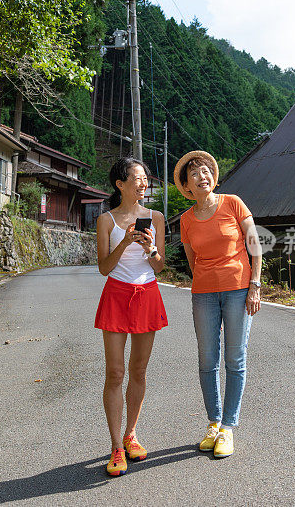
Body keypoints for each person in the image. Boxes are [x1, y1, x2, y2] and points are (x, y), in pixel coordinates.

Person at [174, 150, 261, 458]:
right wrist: (207, 282)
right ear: (187, 185)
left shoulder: (233, 203)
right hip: (204, 295)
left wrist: (255, 285)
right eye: (195, 174)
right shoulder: (185, 220)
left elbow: (254, 245)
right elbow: (192, 261)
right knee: (207, 360)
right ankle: (213, 423)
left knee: (235, 360)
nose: (203, 176)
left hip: (239, 290)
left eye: (206, 171)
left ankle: (228, 427)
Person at [94, 157, 167, 477]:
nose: (143, 183)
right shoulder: (106, 220)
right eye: (137, 178)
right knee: (115, 372)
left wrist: (150, 248)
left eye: (145, 178)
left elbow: (160, 266)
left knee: (138, 370)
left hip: (147, 294)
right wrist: (124, 241)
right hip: (116, 294)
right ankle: (115, 446)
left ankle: (131, 434)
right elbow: (104, 268)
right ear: (120, 184)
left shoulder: (156, 217)